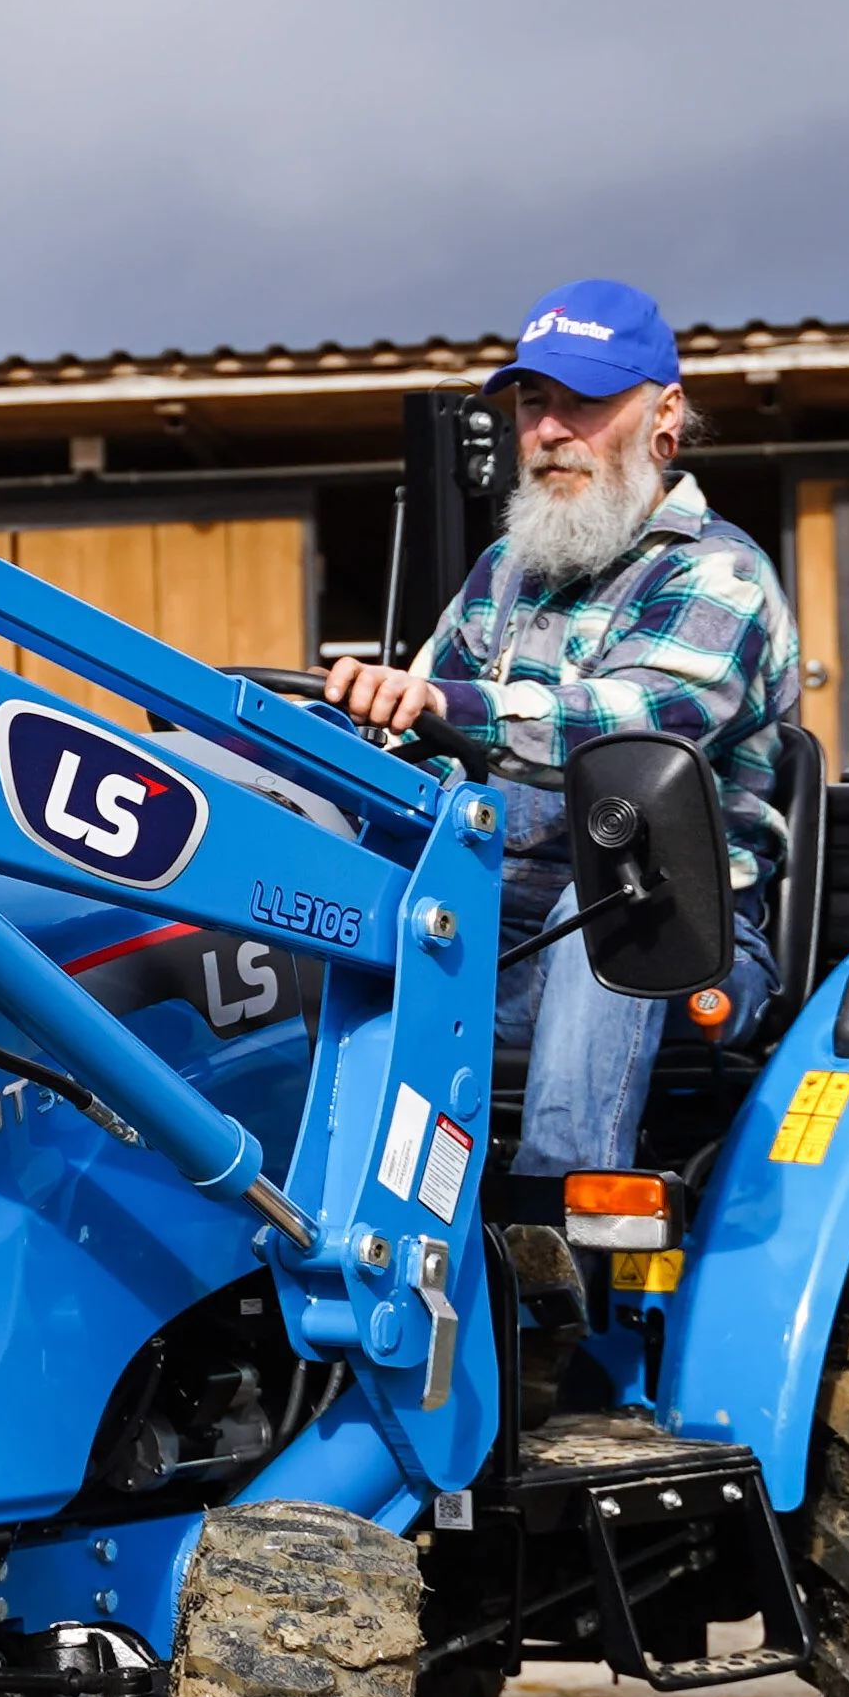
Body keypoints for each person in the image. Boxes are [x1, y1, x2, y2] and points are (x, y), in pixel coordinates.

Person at [320, 280, 801, 1177]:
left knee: (611, 899)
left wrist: (450, 709)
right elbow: (411, 727)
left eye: (582, 402)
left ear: (663, 418)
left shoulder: (719, 576)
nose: (547, 430)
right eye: (533, 403)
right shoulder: (505, 570)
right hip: (493, 929)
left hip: (684, 945)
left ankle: (560, 1222)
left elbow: (635, 726)